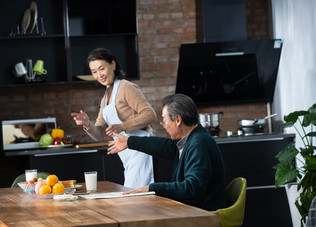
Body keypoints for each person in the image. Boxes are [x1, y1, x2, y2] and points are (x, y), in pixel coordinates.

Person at [107, 94, 226, 211]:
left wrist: (151, 188)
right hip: (194, 210)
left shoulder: (199, 143)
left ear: (178, 120)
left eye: (164, 121)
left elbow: (192, 188)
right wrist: (129, 142)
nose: (164, 126)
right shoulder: (192, 139)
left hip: (203, 214)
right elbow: (165, 146)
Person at [71, 48, 156, 188]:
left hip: (141, 150)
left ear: (113, 64)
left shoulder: (126, 87)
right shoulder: (105, 99)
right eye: (94, 72)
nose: (99, 75)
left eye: (101, 68)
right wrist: (87, 124)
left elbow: (150, 114)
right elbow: (99, 134)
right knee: (134, 198)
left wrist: (122, 126)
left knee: (136, 199)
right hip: (128, 155)